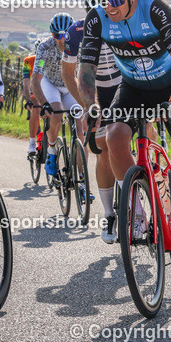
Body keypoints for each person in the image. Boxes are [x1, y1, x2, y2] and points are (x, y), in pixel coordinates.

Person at [78, 0, 171, 259]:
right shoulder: (97, 19)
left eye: (116, 0)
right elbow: (86, 68)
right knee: (114, 138)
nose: (109, 7)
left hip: (170, 87)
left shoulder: (154, 9)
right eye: (103, 0)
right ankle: (135, 212)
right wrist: (91, 106)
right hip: (133, 88)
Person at [65, 12, 121, 242]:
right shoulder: (75, 33)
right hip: (96, 92)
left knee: (146, 131)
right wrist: (87, 105)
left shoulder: (125, 23)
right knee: (102, 148)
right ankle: (109, 215)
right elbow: (68, 73)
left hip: (125, 85)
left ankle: (147, 188)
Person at [31, 12, 82, 177]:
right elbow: (35, 80)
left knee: (80, 124)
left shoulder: (80, 45)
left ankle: (81, 177)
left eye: (65, 35)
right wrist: (44, 103)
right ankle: (52, 151)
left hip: (70, 85)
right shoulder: (45, 47)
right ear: (52, 35)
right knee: (56, 114)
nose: (62, 40)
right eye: (57, 36)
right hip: (51, 83)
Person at [21, 40, 42, 154]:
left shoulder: (47, 60)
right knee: (36, 108)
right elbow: (26, 81)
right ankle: (32, 142)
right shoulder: (28, 61)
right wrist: (28, 99)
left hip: (43, 88)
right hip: (30, 88)